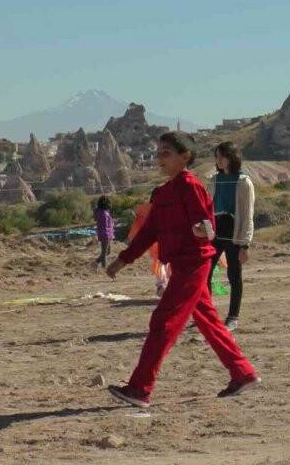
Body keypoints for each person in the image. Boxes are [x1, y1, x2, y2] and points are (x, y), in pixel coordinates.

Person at [105, 132, 260, 408]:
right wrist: (123, 260)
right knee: (209, 322)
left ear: (185, 157)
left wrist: (203, 231)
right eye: (158, 153)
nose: (159, 158)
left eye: (166, 153)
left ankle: (140, 388)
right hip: (182, 264)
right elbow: (149, 232)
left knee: (163, 322)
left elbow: (206, 223)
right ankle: (243, 373)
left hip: (194, 264)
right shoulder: (165, 192)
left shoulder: (191, 186)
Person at [207, 142, 255, 331]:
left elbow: (247, 214)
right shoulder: (213, 180)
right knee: (206, 274)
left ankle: (233, 316)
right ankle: (208, 314)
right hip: (215, 233)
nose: (218, 160)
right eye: (216, 156)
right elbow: (207, 207)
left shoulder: (243, 181)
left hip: (234, 234)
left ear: (231, 157)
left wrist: (245, 245)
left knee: (234, 275)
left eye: (221, 156)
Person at [93, 195, 114, 269]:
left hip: (105, 234)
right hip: (106, 234)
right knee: (105, 253)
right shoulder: (104, 213)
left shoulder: (100, 212)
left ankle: (96, 262)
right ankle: (104, 268)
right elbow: (105, 226)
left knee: (107, 252)